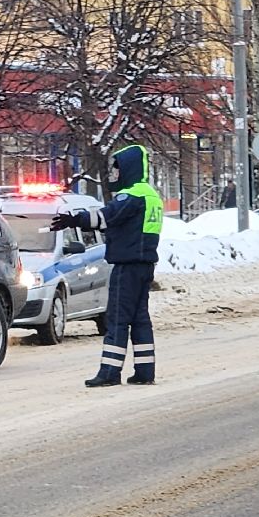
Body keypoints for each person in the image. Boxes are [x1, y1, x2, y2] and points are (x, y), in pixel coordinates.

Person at [51, 144, 164, 388]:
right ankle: (145, 370)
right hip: (145, 265)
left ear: (129, 169)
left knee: (117, 318)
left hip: (127, 265)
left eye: (117, 170)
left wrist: (75, 219)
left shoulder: (132, 195)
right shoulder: (151, 195)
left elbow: (106, 216)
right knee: (140, 318)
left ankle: (110, 371)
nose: (114, 176)